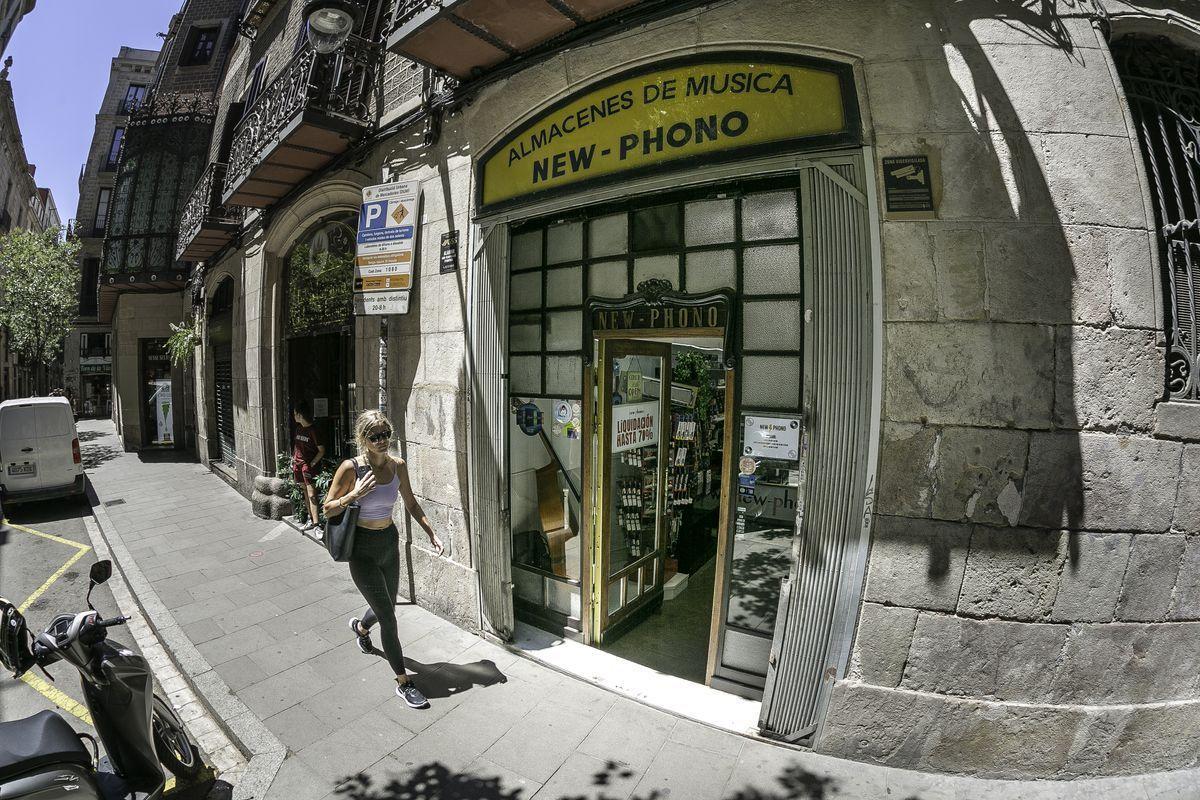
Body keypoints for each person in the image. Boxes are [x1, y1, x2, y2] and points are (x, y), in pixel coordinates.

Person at [322, 409, 444, 708]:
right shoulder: (351, 469)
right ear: (362, 439)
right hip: (361, 548)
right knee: (389, 617)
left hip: (388, 542)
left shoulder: (397, 465)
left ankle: (361, 628)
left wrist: (431, 533)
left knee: (386, 604)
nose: (381, 441)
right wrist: (353, 495)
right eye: (374, 436)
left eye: (385, 434)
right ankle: (404, 682)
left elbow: (411, 503)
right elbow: (327, 509)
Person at [291, 401, 325, 529]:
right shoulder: (298, 428)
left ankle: (317, 524)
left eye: (295, 414)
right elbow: (297, 445)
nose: (293, 416)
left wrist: (312, 463)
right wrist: (294, 459)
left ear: (300, 415)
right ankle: (311, 520)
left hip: (307, 466)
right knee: (305, 492)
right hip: (297, 465)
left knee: (312, 494)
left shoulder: (313, 430)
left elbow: (321, 450)